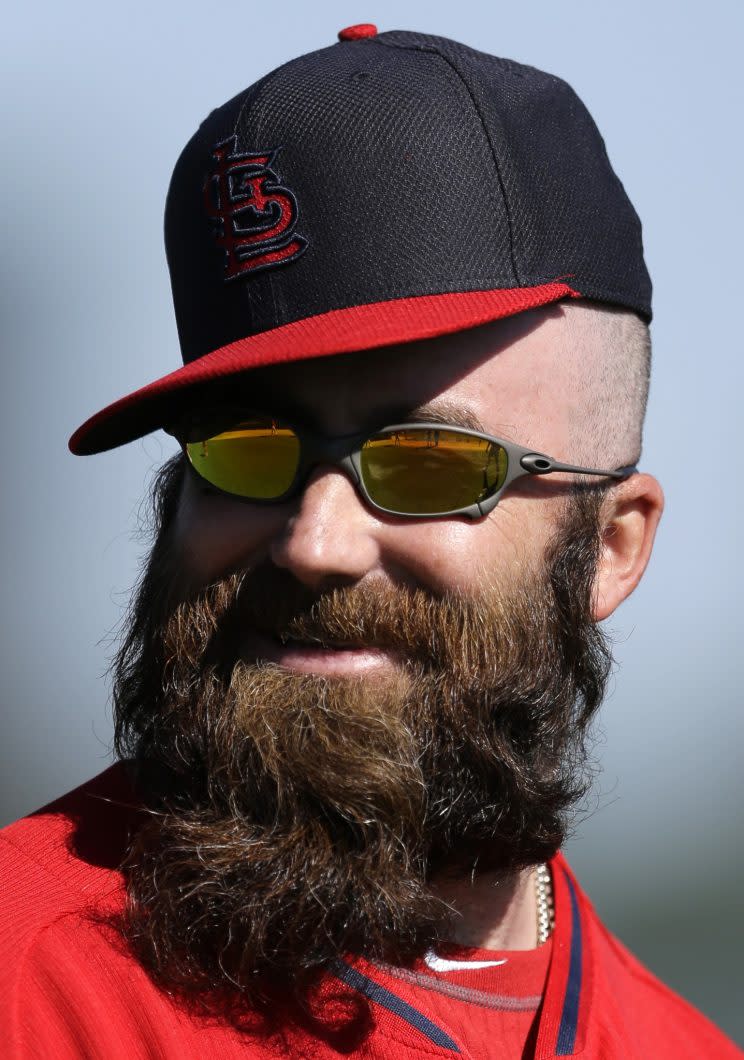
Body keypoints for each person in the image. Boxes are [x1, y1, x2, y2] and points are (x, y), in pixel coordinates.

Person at [0, 24, 739, 1059]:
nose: (316, 539)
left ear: (613, 547)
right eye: (249, 450)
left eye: (429, 462)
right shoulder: (22, 986)